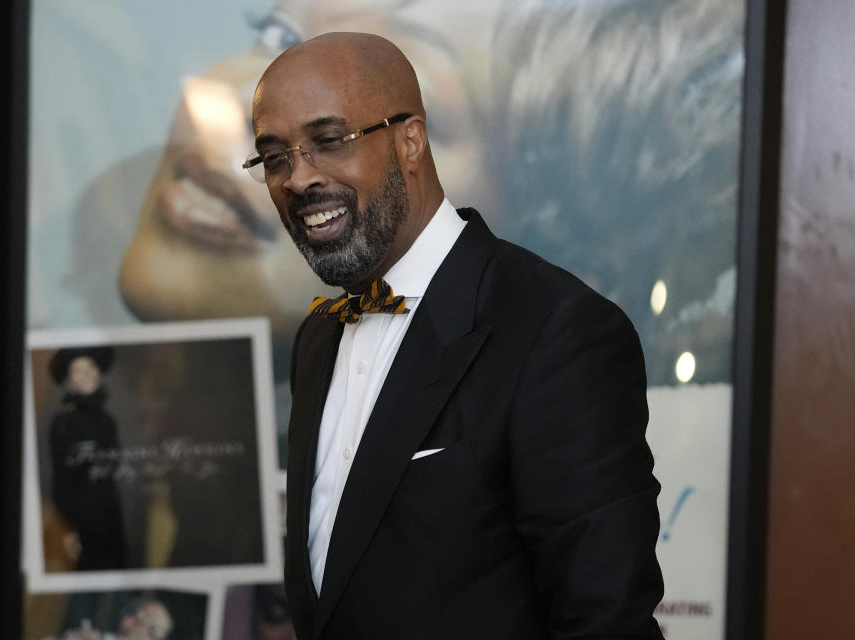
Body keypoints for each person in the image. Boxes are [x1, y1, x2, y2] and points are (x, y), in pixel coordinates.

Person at [249, 32, 664, 639]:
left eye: (329, 141)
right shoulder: (318, 339)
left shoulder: (556, 330)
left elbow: (607, 621)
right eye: (274, 156)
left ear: (411, 140)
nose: (296, 177)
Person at [47, 347, 128, 571]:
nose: (86, 374)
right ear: (68, 380)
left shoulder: (107, 420)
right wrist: (67, 529)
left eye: (90, 366)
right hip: (82, 519)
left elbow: (114, 468)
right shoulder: (63, 422)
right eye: (77, 370)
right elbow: (60, 479)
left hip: (111, 513)